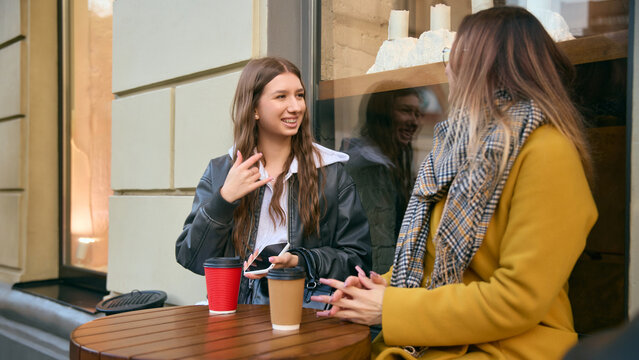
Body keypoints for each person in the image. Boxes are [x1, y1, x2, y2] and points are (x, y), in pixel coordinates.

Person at [312, 6, 597, 360]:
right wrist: (381, 285)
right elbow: (436, 264)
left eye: (453, 55)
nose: (446, 68)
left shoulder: (549, 153)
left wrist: (391, 307)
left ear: (483, 65)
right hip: (437, 344)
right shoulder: (456, 148)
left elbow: (517, 299)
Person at [175, 56, 372, 305]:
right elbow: (191, 258)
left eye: (299, 95)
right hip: (236, 314)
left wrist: (301, 260)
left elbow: (358, 261)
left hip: (303, 314)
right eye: (281, 97)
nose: (296, 106)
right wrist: (224, 200)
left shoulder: (331, 174)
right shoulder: (221, 171)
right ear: (254, 108)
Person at [340, 85, 424, 274]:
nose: (414, 121)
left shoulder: (383, 162)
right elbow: (380, 248)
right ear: (382, 114)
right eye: (406, 111)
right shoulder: (371, 168)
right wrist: (384, 293)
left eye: (418, 114)